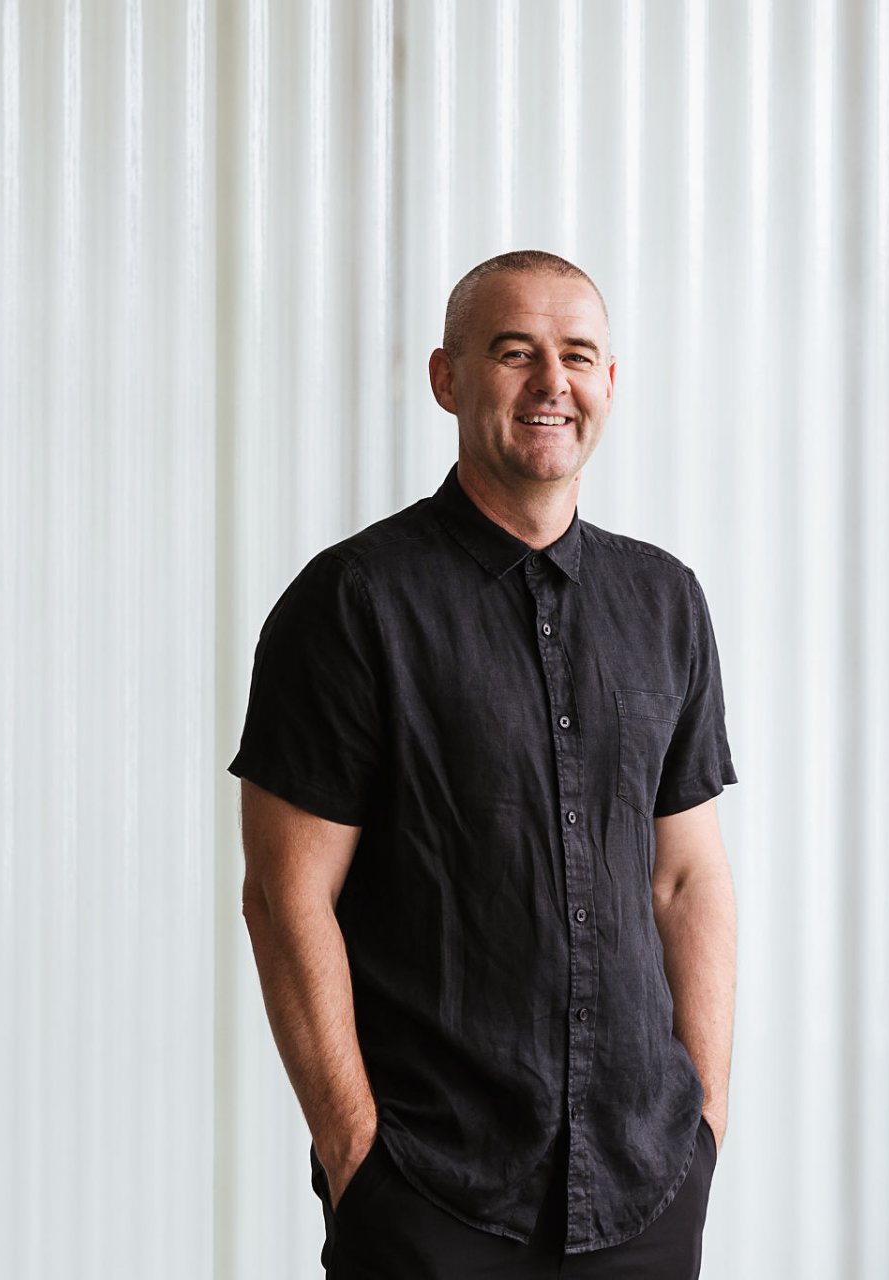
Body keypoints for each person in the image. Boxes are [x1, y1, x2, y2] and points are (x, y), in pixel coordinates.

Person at [230, 250, 739, 1278]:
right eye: (516, 353)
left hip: (643, 1187)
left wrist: (704, 1131)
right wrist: (353, 1151)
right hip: (430, 1191)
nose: (553, 382)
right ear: (448, 379)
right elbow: (286, 896)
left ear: (608, 383)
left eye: (578, 355)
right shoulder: (353, 603)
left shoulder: (666, 602)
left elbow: (686, 878)